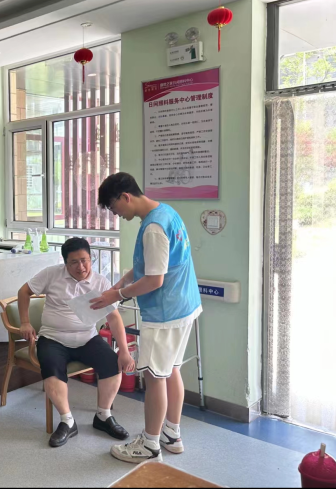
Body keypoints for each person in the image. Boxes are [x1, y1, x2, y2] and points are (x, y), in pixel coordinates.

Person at [91, 172, 202, 464]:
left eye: (114, 207)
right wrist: (120, 283)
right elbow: (148, 265)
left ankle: (150, 444)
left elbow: (154, 280)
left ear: (126, 196)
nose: (115, 214)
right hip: (184, 306)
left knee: (154, 377)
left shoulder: (153, 227)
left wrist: (117, 295)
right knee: (171, 370)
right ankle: (171, 435)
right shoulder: (165, 213)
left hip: (165, 313)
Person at [18, 237, 136, 448]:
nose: (81, 267)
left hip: (87, 337)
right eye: (74, 262)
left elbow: (113, 317)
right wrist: (25, 322)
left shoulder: (101, 282)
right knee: (52, 370)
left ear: (91, 259)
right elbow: (24, 292)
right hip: (53, 338)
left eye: (84, 260)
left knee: (112, 362)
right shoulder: (51, 274)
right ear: (65, 263)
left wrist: (124, 352)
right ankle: (67, 421)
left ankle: (103, 416)